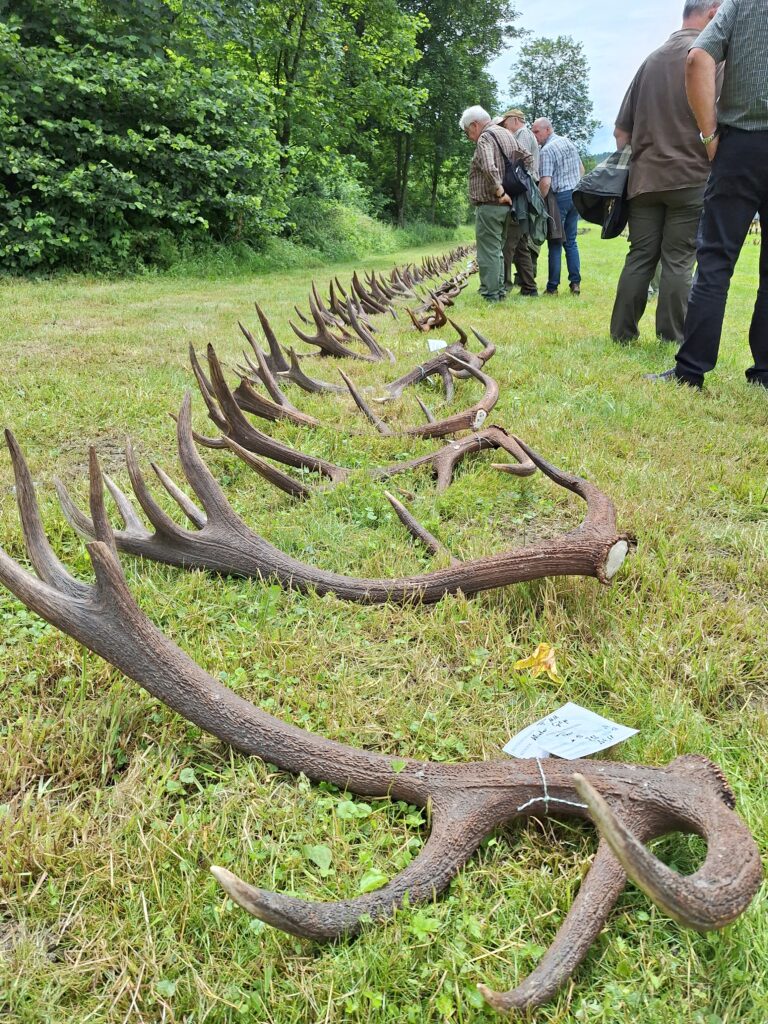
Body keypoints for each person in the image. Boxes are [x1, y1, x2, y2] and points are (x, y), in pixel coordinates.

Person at [648, 0, 768, 389]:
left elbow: (697, 58)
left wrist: (709, 134)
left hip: (741, 147)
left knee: (715, 261)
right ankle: (765, 373)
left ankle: (691, 371)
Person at [610, 0, 722, 346]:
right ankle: (671, 337)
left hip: (644, 181)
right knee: (678, 260)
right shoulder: (713, 60)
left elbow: (621, 133)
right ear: (714, 12)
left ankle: (622, 334)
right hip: (691, 176)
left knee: (640, 257)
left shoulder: (650, 61)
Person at [459, 105, 533, 302]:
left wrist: (500, 191)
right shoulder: (507, 134)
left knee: (488, 251)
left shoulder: (485, 137)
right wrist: (514, 187)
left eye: (468, 131)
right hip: (507, 205)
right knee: (498, 250)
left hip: (492, 203)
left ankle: (491, 294)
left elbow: (488, 165)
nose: (469, 137)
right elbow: (527, 157)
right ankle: (499, 291)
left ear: (475, 125)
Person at [531, 118, 584, 295]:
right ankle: (575, 283)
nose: (534, 135)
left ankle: (552, 287)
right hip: (575, 195)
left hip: (559, 198)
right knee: (571, 242)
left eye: (537, 131)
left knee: (555, 242)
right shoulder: (568, 142)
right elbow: (581, 169)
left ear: (547, 130)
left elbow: (545, 183)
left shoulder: (546, 151)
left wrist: (536, 202)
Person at [495, 109, 541, 294]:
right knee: (521, 244)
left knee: (508, 243)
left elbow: (516, 165)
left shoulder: (521, 135)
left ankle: (504, 286)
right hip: (526, 193)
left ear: (514, 120)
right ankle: (529, 287)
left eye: (505, 123)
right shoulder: (528, 134)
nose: (505, 128)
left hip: (520, 195)